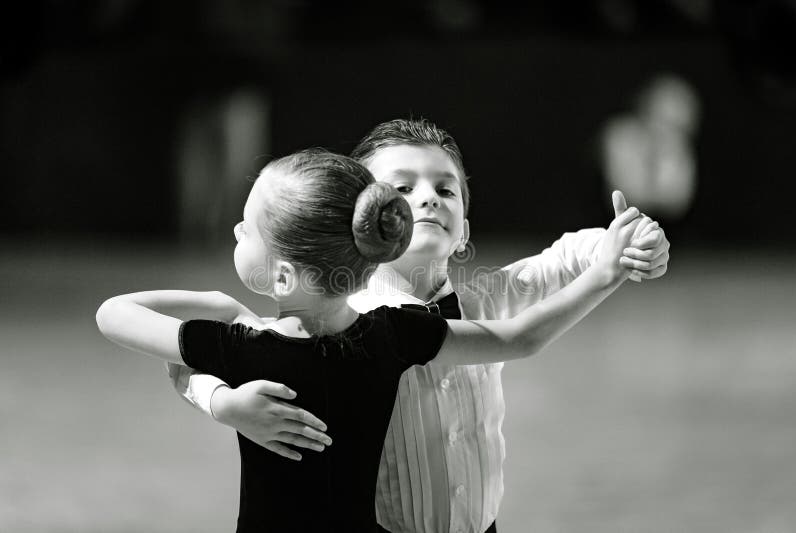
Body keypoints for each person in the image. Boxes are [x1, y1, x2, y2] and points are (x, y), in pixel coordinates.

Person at [96, 148, 647, 531]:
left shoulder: (245, 344)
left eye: (246, 228)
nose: (237, 233)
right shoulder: (392, 334)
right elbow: (520, 338)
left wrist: (222, 388)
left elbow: (116, 314)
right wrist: (604, 275)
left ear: (283, 277)